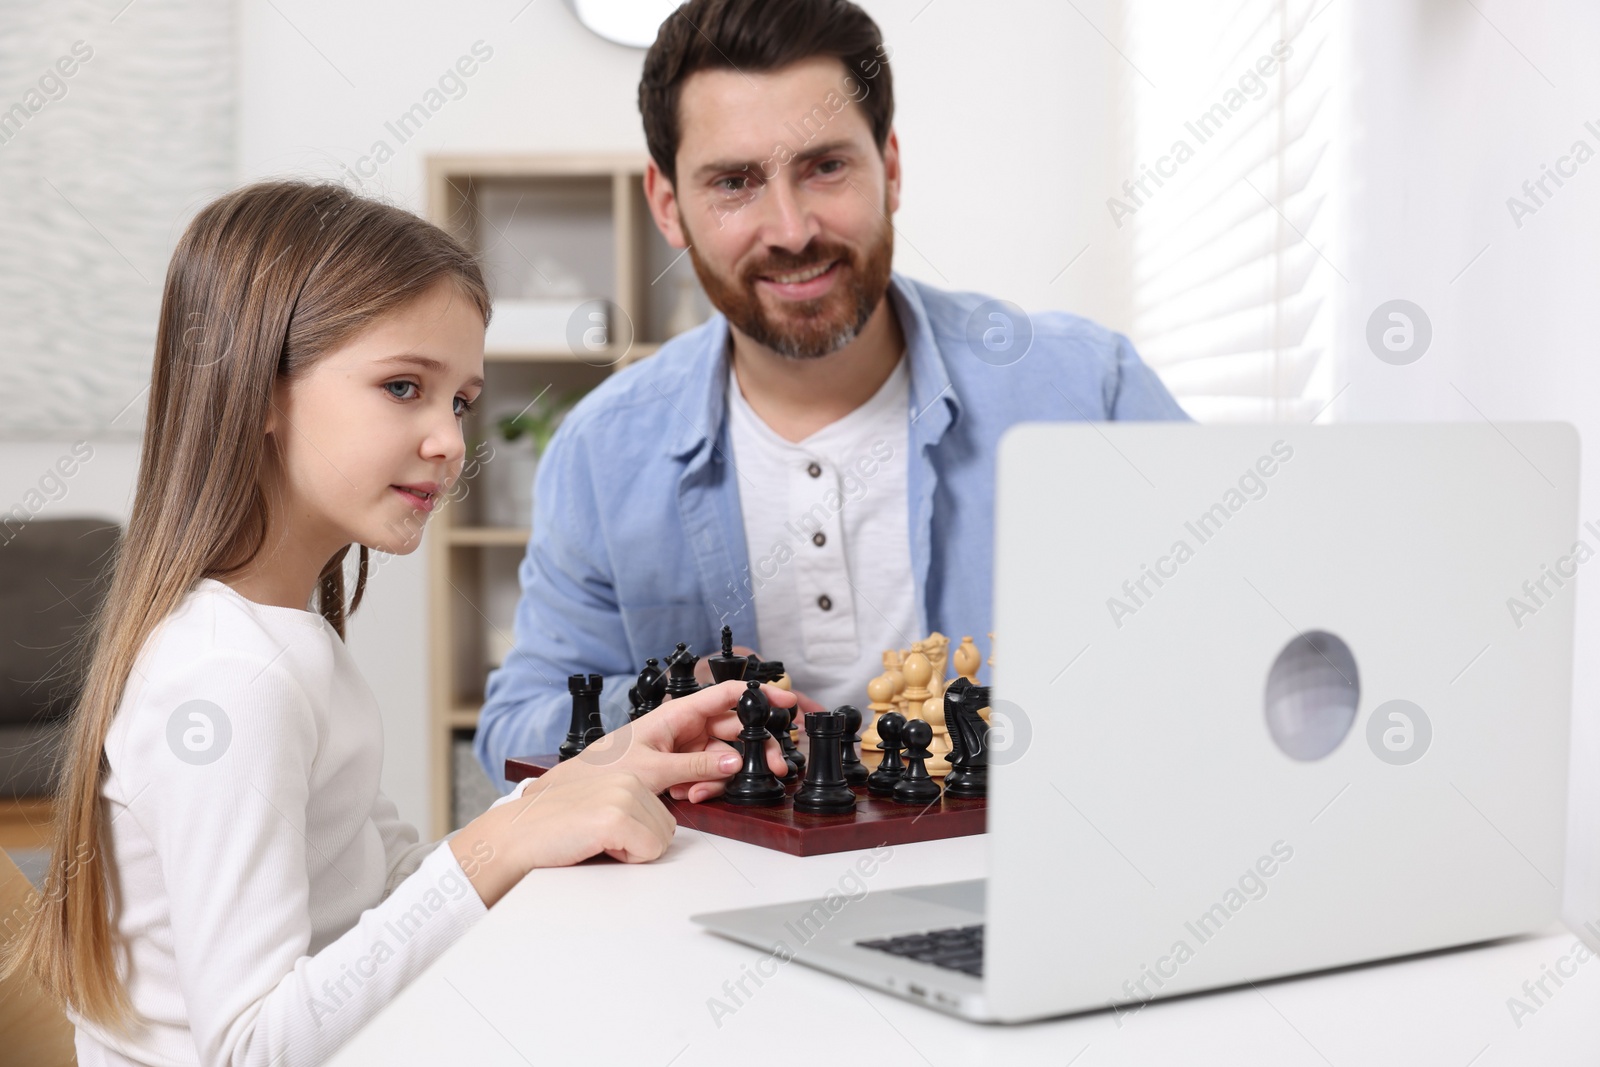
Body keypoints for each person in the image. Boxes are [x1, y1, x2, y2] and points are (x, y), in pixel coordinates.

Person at [0, 181, 793, 1067]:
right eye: (404, 386)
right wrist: (501, 841)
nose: (452, 440)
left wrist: (601, 766)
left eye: (459, 400)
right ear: (256, 388)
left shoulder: (287, 644)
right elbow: (252, 1047)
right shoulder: (231, 679)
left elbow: (394, 894)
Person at [474, 0, 1192, 785]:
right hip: (709, 892)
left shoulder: (1088, 388)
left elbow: (1230, 636)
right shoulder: (603, 452)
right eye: (735, 182)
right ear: (669, 206)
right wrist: (676, 704)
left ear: (890, 168)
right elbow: (517, 731)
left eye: (825, 166)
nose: (789, 228)